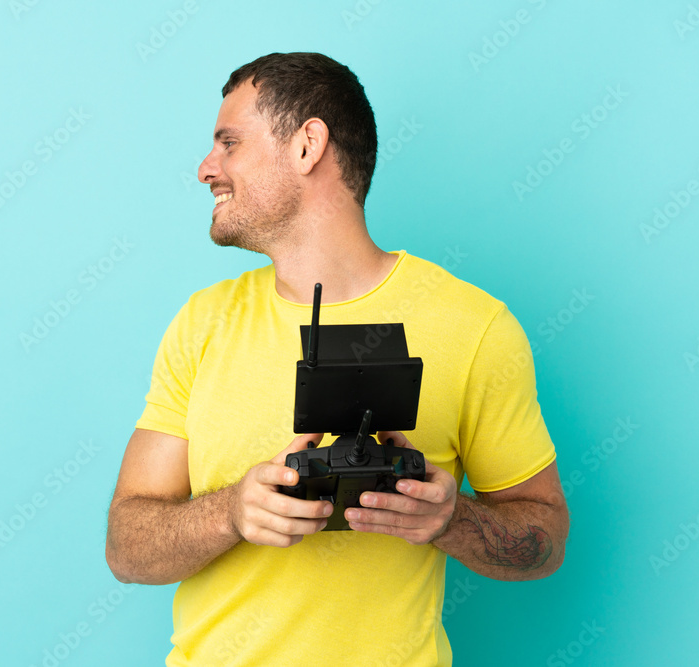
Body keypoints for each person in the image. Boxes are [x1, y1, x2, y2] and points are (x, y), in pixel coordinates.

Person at [105, 52, 570, 666]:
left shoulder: (474, 327)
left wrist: (449, 519)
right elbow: (126, 548)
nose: (205, 168)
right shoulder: (202, 323)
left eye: (229, 143)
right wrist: (233, 512)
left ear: (308, 145)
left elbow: (545, 540)